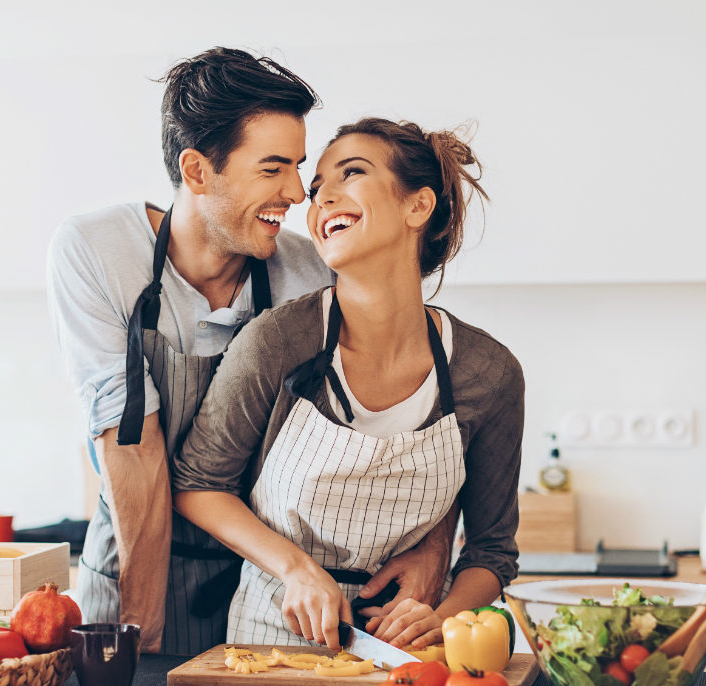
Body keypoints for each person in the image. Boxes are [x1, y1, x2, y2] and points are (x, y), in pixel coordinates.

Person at [46, 50, 455, 655]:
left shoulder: (311, 270)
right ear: (197, 171)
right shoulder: (98, 250)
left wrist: (434, 546)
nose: (297, 192)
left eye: (298, 167)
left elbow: (418, 415)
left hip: (263, 588)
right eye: (273, 169)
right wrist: (141, 636)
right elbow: (131, 446)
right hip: (132, 565)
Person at [171, 118, 523, 651]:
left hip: (411, 650)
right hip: (271, 640)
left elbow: (492, 552)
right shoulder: (277, 342)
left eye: (349, 174)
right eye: (316, 190)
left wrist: (444, 616)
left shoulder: (488, 372)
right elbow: (199, 485)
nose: (318, 198)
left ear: (417, 207)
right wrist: (296, 569)